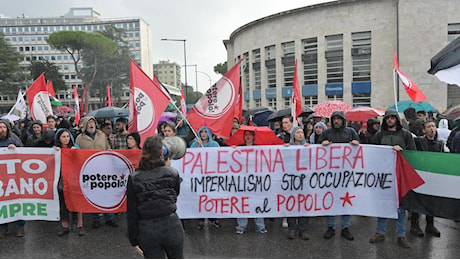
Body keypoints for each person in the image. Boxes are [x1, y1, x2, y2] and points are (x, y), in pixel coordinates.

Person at [126, 135, 184, 258]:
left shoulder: (134, 178)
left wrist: (134, 240)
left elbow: (131, 211)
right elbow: (175, 195)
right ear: (161, 153)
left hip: (147, 230)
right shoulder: (172, 173)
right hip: (172, 226)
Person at [369, 109, 415, 248]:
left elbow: (412, 153)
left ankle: (401, 235)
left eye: (392, 118)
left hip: (400, 174)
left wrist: (402, 151)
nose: (390, 120)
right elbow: (372, 151)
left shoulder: (405, 135)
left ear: (396, 120)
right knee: (383, 203)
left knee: (401, 205)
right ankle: (380, 232)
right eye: (387, 118)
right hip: (383, 174)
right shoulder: (379, 135)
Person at [318, 110, 359, 241]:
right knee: (330, 199)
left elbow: (359, 148)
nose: (336, 121)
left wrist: (356, 144)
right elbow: (317, 152)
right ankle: (331, 226)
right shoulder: (326, 133)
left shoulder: (351, 132)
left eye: (339, 119)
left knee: (346, 199)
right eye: (334, 119)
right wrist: (321, 145)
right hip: (329, 173)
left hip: (346, 173)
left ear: (343, 120)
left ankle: (345, 227)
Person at [75, 116, 117, 228]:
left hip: (103, 170)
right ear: (84, 125)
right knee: (93, 195)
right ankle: (95, 219)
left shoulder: (102, 135)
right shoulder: (79, 138)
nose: (91, 124)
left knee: (106, 194)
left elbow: (107, 149)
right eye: (89, 123)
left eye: (93, 122)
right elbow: (77, 154)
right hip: (89, 171)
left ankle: (110, 218)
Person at [408, 120, 442, 237]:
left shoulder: (440, 144)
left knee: (431, 201)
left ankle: (430, 225)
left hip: (433, 177)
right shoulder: (418, 141)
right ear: (424, 130)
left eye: (433, 126)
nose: (432, 129)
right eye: (429, 127)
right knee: (418, 200)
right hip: (420, 175)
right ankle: (414, 225)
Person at [235, 130, 267, 235]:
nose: (248, 137)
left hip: (256, 180)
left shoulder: (259, 148)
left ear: (254, 137)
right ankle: (241, 226)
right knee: (243, 202)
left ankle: (260, 226)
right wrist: (232, 150)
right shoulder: (239, 147)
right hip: (243, 179)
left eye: (250, 135)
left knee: (257, 201)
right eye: (246, 135)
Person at [54, 128, 85, 237]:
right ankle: (65, 225)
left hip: (74, 180)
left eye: (67, 136)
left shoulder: (75, 148)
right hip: (61, 180)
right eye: (63, 137)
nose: (66, 139)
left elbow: (81, 161)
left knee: (77, 202)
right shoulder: (55, 150)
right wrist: (54, 152)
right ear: (59, 138)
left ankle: (79, 225)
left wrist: (76, 153)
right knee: (63, 203)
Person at [190, 126, 221, 229]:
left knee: (212, 196)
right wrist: (198, 147)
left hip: (212, 174)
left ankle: (214, 218)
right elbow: (192, 159)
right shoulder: (194, 144)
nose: (203, 134)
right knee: (201, 197)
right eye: (201, 132)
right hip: (199, 175)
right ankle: (201, 219)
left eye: (205, 132)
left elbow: (219, 157)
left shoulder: (215, 144)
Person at [0, 120, 25, 238]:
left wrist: (16, 149)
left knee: (17, 201)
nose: (2, 129)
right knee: (2, 203)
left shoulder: (14, 140)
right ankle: (3, 228)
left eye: (4, 127)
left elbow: (24, 155)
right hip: (1, 179)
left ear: (7, 128)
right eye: (0, 127)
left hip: (14, 177)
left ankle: (20, 227)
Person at [285, 126, 310, 240]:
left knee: (304, 204)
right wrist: (285, 149)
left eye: (301, 132)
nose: (300, 134)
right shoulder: (289, 147)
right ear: (293, 135)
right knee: (292, 203)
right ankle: (292, 228)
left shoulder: (309, 146)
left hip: (304, 180)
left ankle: (303, 229)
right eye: (297, 132)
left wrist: (309, 149)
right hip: (292, 180)